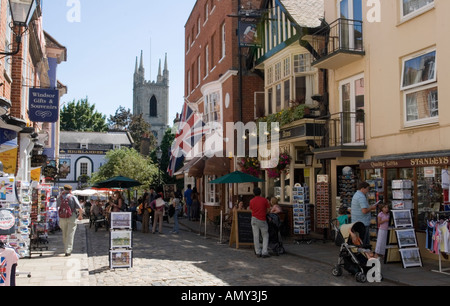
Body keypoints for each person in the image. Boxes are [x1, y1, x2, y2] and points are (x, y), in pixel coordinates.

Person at [57, 185, 83, 256]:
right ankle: (68, 250)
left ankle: (65, 248)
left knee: (64, 233)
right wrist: (80, 216)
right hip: (72, 216)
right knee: (70, 234)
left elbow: (57, 206)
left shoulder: (60, 197)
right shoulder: (73, 197)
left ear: (64, 190)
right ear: (70, 190)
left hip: (62, 217)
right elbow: (80, 208)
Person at [351, 181, 377, 246]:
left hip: (357, 221)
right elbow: (364, 211)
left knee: (360, 241)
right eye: (367, 189)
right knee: (364, 242)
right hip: (362, 223)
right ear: (362, 188)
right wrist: (371, 208)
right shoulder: (361, 197)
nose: (368, 191)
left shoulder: (356, 195)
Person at [249, 187, 271, 258]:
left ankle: (258, 251)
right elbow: (268, 209)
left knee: (256, 236)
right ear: (260, 192)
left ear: (253, 193)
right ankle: (264, 252)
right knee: (265, 235)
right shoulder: (264, 200)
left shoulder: (251, 201)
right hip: (262, 219)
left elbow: (251, 210)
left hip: (254, 219)